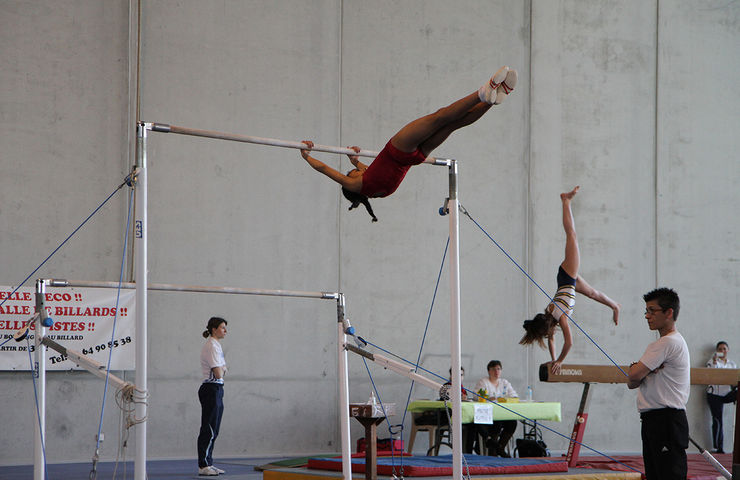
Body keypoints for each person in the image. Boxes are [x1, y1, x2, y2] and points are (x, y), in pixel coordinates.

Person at [300, 66, 518, 221]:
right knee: (440, 117)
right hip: (400, 148)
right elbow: (325, 169)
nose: (353, 172)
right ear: (351, 185)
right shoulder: (355, 185)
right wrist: (307, 156)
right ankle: (483, 91)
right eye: (351, 172)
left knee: (453, 125)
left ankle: (495, 98)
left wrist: (354, 160)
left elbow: (371, 171)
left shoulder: (377, 191)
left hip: (416, 157)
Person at [519, 187, 621, 375]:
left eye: (549, 332)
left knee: (572, 235)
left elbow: (569, 342)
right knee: (592, 293)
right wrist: (553, 359)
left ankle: (566, 201)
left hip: (567, 275)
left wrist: (559, 360)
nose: (551, 335)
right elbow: (551, 339)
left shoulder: (560, 315)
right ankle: (614, 305)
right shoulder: (550, 315)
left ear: (549, 326)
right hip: (568, 283)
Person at [627, 288, 689, 480]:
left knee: (668, 475)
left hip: (666, 420)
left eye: (652, 311)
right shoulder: (665, 344)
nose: (647, 316)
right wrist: (638, 371)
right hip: (653, 420)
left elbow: (634, 375)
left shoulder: (667, 343)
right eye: (646, 310)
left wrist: (637, 369)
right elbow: (632, 383)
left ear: (669, 312)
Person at [197, 317, 228, 476]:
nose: (225, 331)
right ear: (214, 329)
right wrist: (223, 368)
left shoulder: (216, 345)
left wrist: (223, 368)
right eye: (222, 327)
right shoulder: (211, 346)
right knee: (209, 428)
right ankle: (203, 465)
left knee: (214, 428)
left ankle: (208, 462)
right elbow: (219, 372)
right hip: (211, 388)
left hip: (217, 388)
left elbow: (223, 370)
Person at [472, 360, 518, 457]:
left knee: (512, 422)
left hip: (502, 413)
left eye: (498, 369)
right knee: (497, 423)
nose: (496, 372)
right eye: (494, 369)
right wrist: (487, 398)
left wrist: (506, 399)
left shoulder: (504, 382)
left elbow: (514, 395)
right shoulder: (483, 382)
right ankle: (493, 450)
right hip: (488, 414)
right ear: (489, 371)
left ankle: (500, 447)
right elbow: (476, 396)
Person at [706, 341, 737, 454]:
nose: (722, 351)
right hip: (714, 394)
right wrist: (714, 361)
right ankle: (719, 446)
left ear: (727, 350)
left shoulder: (732, 364)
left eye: (724, 349)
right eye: (720, 349)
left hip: (726, 393)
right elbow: (710, 374)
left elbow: (734, 380)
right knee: (718, 420)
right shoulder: (712, 362)